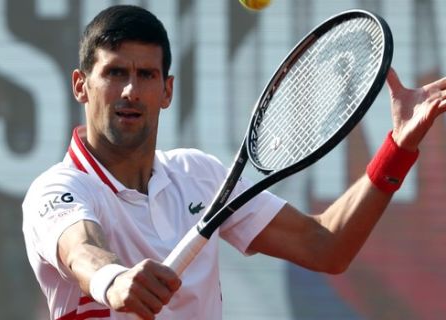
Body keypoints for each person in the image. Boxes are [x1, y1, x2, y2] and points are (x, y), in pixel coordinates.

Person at [22, 4, 446, 320]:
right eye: (115, 73)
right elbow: (82, 250)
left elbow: (326, 247)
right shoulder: (58, 189)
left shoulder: (199, 175)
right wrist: (113, 280)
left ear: (167, 91)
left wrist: (399, 145)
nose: (131, 90)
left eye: (147, 75)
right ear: (81, 86)